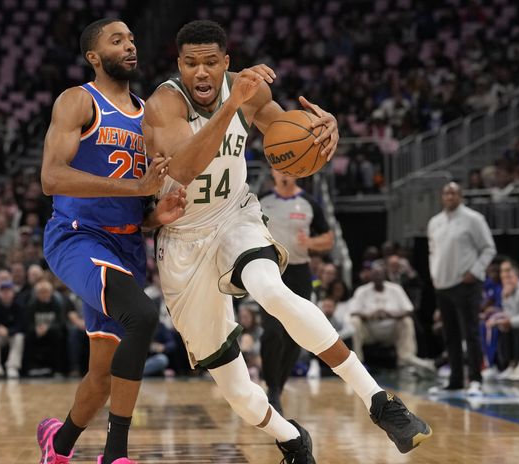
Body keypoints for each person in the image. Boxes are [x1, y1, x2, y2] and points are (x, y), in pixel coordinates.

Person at [143, 19, 430, 463]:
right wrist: (231, 105)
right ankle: (292, 439)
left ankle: (380, 401)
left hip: (233, 215)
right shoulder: (164, 103)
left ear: (226, 62)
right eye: (191, 63)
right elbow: (184, 168)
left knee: (271, 289)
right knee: (238, 391)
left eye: (211, 63)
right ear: (179, 65)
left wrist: (320, 132)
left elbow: (284, 135)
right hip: (181, 238)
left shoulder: (248, 89)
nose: (201, 72)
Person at [36, 18, 186, 464]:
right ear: (94, 57)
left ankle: (57, 446)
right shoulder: (78, 100)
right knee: (143, 315)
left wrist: (154, 215)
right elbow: (51, 177)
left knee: (101, 376)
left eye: (132, 40)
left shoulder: (148, 115)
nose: (129, 46)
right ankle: (115, 454)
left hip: (127, 246)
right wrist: (136, 188)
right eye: (116, 41)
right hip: (77, 236)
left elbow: (139, 202)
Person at [258, 168, 334, 412]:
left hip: (299, 273)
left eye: (287, 170)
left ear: (297, 172)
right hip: (269, 271)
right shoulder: (262, 201)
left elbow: (329, 238)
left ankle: (276, 390)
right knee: (271, 332)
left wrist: (310, 242)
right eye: (278, 169)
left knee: (295, 336)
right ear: (272, 172)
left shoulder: (309, 202)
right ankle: (271, 385)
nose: (283, 174)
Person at [427, 182, 496, 395]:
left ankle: (475, 379)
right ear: (442, 196)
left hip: (466, 284)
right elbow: (433, 251)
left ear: (461, 196)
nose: (450, 196)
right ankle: (455, 380)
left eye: (454, 193)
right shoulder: (435, 222)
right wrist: (434, 274)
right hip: (443, 285)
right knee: (450, 335)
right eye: (446, 193)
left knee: (471, 333)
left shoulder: (474, 219)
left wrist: (475, 271)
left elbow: (489, 248)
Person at [348, 267, 435, 372]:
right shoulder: (362, 290)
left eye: (380, 274)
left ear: (384, 276)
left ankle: (406, 360)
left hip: (392, 330)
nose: (377, 277)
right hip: (370, 331)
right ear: (371, 276)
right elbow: (353, 312)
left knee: (407, 321)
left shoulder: (396, 289)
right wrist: (369, 315)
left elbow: (409, 310)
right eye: (375, 274)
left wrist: (391, 314)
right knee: (354, 321)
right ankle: (358, 362)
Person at [486, 258, 519, 381]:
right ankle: (511, 364)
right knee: (503, 327)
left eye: (508, 272)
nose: (505, 275)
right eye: (503, 272)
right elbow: (509, 314)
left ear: (516, 274)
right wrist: (506, 298)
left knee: (517, 327)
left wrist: (509, 321)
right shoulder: (507, 290)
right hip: (517, 321)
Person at [0, 280, 25, 379]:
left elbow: (21, 326)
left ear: (13, 293)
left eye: (8, 291)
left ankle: (12, 367)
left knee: (19, 337)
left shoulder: (18, 306)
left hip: (12, 335)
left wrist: (9, 331)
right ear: (0, 293)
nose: (6, 294)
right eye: (3, 291)